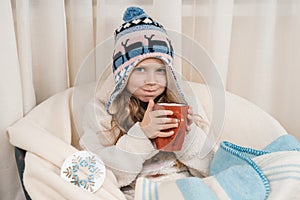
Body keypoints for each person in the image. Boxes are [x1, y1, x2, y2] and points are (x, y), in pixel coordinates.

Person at [80, 6, 214, 199]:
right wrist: (142, 135)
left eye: (159, 70)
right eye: (140, 70)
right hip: (134, 192)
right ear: (123, 74)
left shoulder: (181, 101)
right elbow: (96, 173)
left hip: (182, 186)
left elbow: (211, 167)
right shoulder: (100, 111)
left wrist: (189, 136)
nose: (151, 80)